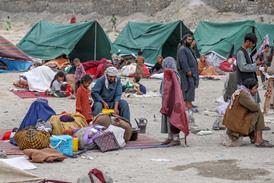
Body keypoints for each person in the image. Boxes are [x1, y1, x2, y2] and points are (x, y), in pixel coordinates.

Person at [223, 78, 273, 147]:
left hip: (234, 122)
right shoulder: (243, 95)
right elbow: (255, 108)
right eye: (255, 88)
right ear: (249, 88)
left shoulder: (240, 91)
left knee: (252, 114)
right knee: (258, 113)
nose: (256, 90)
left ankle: (254, 138)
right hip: (236, 124)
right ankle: (259, 140)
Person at [160, 57, 189, 146]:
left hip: (173, 101)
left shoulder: (174, 75)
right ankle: (170, 137)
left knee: (174, 119)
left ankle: (176, 138)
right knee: (167, 119)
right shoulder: (167, 73)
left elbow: (174, 89)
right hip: (166, 100)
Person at [236, 33, 264, 103]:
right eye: (253, 43)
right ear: (248, 41)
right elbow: (243, 67)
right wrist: (255, 65)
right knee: (249, 104)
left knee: (254, 104)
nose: (253, 45)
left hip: (250, 83)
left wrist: (256, 63)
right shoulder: (240, 52)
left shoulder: (246, 51)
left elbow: (249, 64)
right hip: (244, 83)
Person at [177, 34, 199, 111]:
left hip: (192, 72)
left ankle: (189, 103)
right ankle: (187, 105)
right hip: (186, 73)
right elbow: (183, 61)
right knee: (188, 87)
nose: (190, 41)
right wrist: (187, 70)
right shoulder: (182, 49)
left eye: (191, 39)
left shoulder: (188, 48)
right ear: (184, 40)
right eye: (188, 39)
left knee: (191, 87)